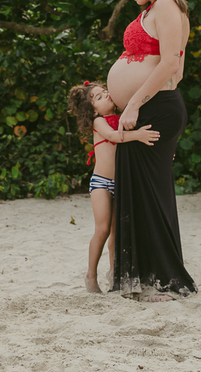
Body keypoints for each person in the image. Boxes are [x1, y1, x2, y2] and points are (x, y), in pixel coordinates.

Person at [106, 0, 197, 300]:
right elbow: (176, 69)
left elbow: (172, 66)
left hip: (152, 109)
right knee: (140, 194)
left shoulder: (167, 6)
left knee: (149, 197)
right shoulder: (155, 8)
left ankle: (162, 280)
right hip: (149, 108)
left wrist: (134, 104)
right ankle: (147, 278)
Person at [67, 81, 160, 293]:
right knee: (102, 229)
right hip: (101, 182)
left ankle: (114, 273)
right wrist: (138, 135)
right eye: (99, 97)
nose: (106, 95)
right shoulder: (99, 122)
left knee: (116, 234)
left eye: (105, 92)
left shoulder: (124, 118)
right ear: (93, 111)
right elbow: (112, 136)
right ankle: (91, 275)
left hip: (122, 182)